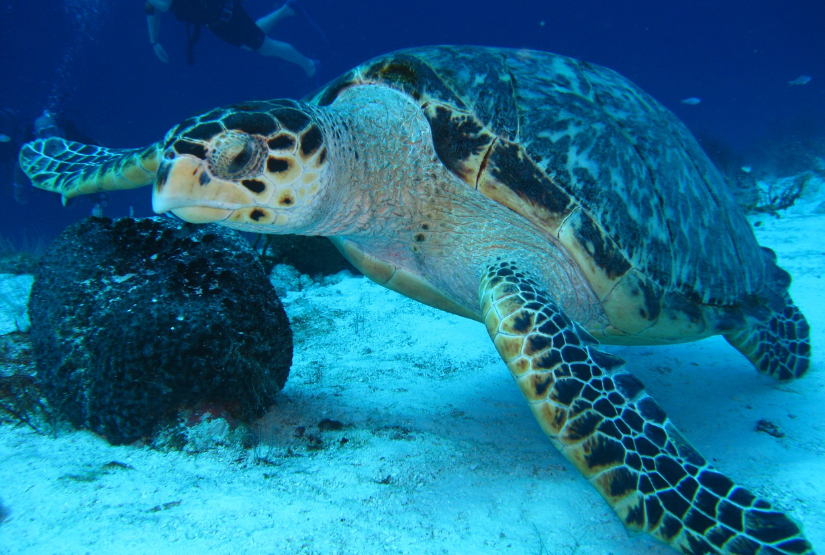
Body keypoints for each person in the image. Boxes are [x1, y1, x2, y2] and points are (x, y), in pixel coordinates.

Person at [145, 0, 318, 76]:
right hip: (216, 22)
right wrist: (154, 40)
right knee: (253, 44)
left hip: (226, 13)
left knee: (265, 47)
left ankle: (310, 66)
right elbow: (151, 8)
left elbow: (162, 4)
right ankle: (287, 9)